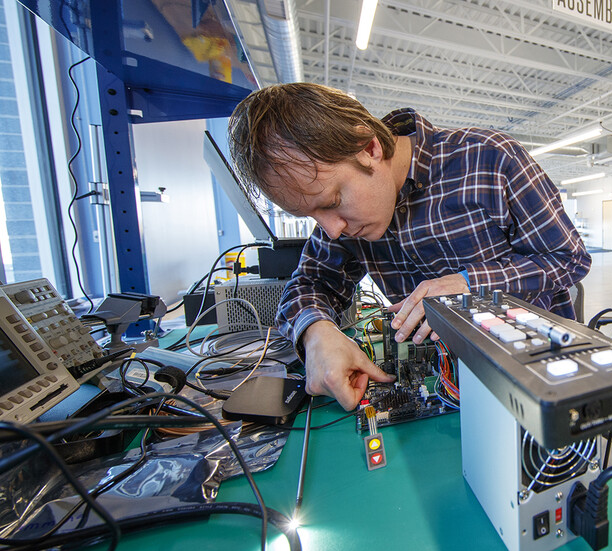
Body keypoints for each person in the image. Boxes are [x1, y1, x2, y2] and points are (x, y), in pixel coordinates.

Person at [227, 83, 590, 411]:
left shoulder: (490, 160)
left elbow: (569, 259)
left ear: (369, 148)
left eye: (333, 200)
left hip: (535, 379)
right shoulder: (340, 218)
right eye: (312, 216)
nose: (332, 230)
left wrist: (469, 285)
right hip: (439, 391)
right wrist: (317, 332)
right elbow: (308, 283)